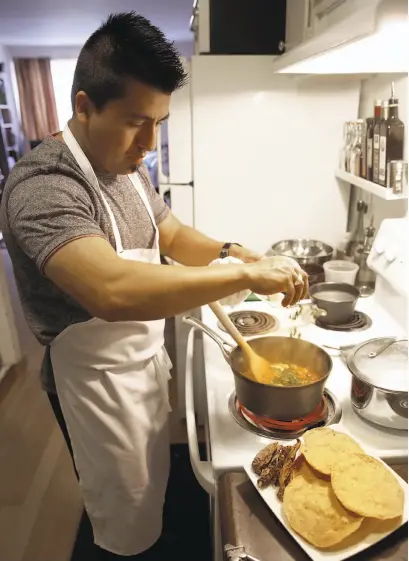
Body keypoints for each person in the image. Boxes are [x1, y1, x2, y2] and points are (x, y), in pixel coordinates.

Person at [0, 12, 308, 560]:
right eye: (135, 121)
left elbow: (169, 232)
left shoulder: (128, 166)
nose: (148, 141)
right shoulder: (44, 186)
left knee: (150, 486)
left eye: (160, 122)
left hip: (139, 365)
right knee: (119, 517)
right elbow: (112, 290)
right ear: (83, 106)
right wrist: (241, 276)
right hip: (93, 387)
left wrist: (231, 251)